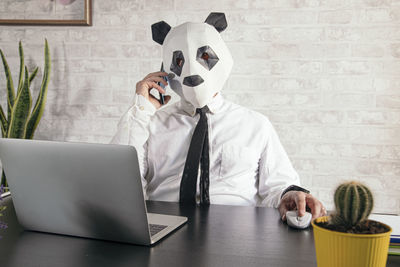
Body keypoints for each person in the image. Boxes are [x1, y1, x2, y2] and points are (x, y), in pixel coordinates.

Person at [111, 12, 326, 221]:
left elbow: (278, 184)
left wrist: (289, 195)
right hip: (166, 227)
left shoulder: (255, 125)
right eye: (179, 61)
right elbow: (119, 183)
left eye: (204, 56)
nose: (192, 71)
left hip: (235, 235)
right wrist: (141, 110)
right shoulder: (150, 123)